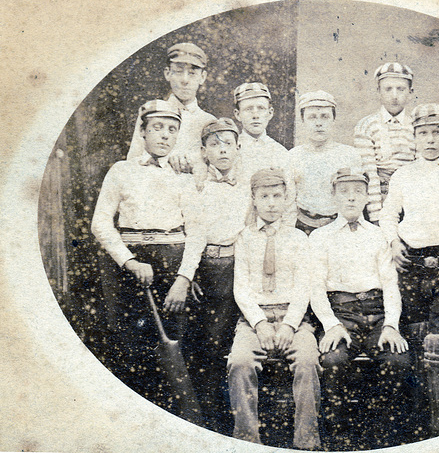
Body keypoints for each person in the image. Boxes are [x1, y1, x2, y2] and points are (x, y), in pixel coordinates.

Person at [91, 99, 200, 417]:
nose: (165, 135)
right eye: (157, 128)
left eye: (171, 129)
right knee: (131, 349)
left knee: (175, 350)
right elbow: (100, 223)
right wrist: (129, 261)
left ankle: (179, 421)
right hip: (129, 269)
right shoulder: (121, 171)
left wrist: (184, 279)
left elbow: (197, 231)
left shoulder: (183, 175)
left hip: (172, 268)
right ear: (142, 131)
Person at [380, 103, 439, 436]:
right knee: (412, 337)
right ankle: (413, 420)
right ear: (414, 137)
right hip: (410, 263)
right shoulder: (403, 175)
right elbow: (388, 215)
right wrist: (393, 243)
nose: (430, 139)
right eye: (423, 133)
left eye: (436, 132)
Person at [309, 166, 410, 449]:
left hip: (378, 311)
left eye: (357, 192)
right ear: (334, 197)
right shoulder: (320, 237)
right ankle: (338, 437)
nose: (351, 198)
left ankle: (380, 435)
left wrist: (391, 324)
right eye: (344, 192)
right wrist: (332, 325)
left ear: (367, 197)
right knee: (332, 360)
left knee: (397, 360)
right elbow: (315, 288)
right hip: (341, 312)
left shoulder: (379, 235)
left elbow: (390, 284)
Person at [227, 168, 321, 450]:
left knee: (307, 361)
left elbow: (304, 287)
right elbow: (240, 288)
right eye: (264, 196)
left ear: (286, 199)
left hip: (294, 318)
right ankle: (246, 439)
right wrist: (259, 323)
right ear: (253, 199)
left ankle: (306, 441)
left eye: (276, 196)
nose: (270, 203)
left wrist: (290, 324)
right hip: (254, 320)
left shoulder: (298, 239)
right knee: (240, 362)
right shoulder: (243, 238)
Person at [177, 117, 251, 433]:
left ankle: (229, 419)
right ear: (204, 151)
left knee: (225, 343)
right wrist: (188, 274)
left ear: (238, 148)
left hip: (234, 268)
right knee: (200, 345)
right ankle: (204, 419)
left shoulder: (248, 186)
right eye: (214, 144)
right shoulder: (195, 186)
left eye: (228, 144)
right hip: (203, 269)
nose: (222, 150)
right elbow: (192, 232)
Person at [126, 42, 214, 177]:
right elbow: (133, 160)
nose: (185, 80)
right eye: (178, 72)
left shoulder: (208, 121)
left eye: (192, 73)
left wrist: (196, 163)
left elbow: (214, 170)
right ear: (167, 73)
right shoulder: (152, 111)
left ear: (202, 77)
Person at [289, 90, 362, 235]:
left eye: (325, 117)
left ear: (333, 120)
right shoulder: (293, 156)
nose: (318, 123)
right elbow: (288, 202)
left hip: (339, 227)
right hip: (302, 227)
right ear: (303, 120)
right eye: (312, 117)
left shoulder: (349, 155)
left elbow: (358, 199)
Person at [354, 62, 416, 223]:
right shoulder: (366, 126)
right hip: (376, 203)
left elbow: (420, 173)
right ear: (378, 92)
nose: (394, 95)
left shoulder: (416, 126)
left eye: (401, 89)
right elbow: (370, 174)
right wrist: (377, 218)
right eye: (388, 89)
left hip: (410, 204)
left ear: (410, 93)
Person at [232, 82, 297, 224]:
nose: (255, 115)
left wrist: (284, 233)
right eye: (249, 109)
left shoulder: (280, 152)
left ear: (270, 113)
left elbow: (289, 200)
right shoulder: (231, 150)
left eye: (261, 108)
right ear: (238, 114)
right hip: (236, 229)